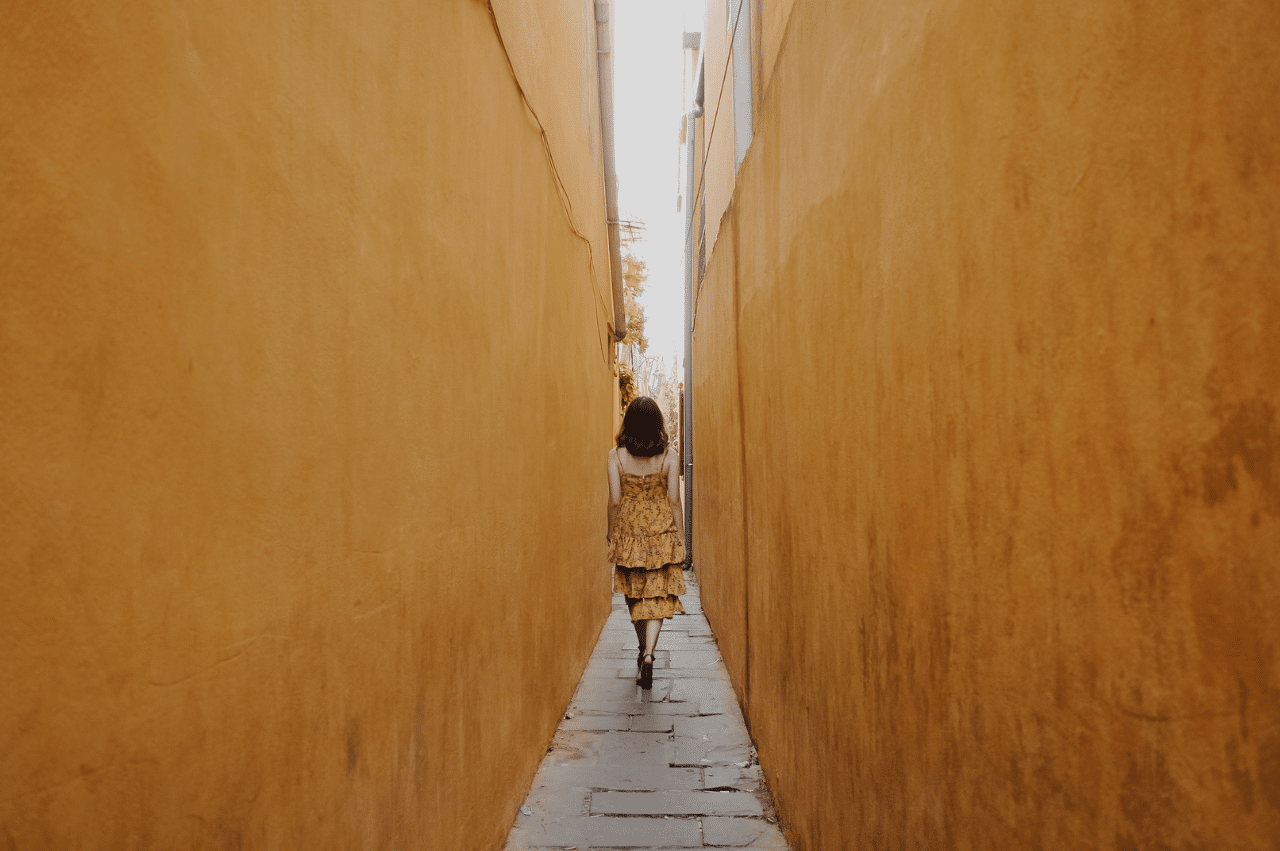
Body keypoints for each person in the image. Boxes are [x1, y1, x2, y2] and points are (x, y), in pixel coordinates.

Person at [607, 396, 686, 689]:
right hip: (660, 532)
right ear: (657, 423)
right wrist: (681, 538)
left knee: (635, 592)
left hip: (629, 532)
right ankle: (650, 654)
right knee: (657, 596)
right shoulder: (669, 455)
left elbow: (614, 501)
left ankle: (642, 649)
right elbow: (675, 501)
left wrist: (611, 532)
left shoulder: (615, 456)